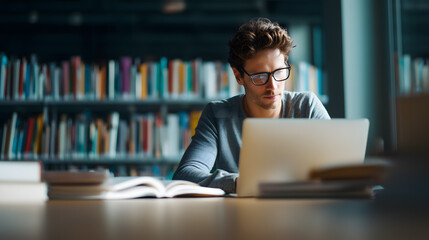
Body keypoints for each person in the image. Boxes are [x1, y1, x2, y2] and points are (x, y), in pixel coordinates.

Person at [172, 18, 330, 193]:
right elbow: (185, 175)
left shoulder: (307, 107)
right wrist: (243, 182)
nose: (273, 86)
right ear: (239, 76)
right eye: (260, 76)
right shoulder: (217, 114)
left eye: (279, 72)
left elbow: (337, 167)